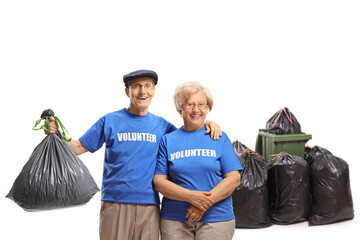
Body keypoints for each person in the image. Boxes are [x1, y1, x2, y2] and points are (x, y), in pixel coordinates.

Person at [44, 70, 222, 240]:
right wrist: (56, 135)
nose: (142, 91)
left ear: (153, 91)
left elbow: (188, 136)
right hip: (115, 203)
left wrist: (208, 123)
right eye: (136, 86)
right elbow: (78, 147)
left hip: (150, 206)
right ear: (127, 91)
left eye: (148, 85)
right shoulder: (110, 121)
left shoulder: (163, 127)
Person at [153, 81, 242, 240]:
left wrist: (203, 203)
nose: (196, 110)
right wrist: (190, 197)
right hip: (175, 218)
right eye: (190, 104)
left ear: (208, 108)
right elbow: (159, 182)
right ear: (180, 108)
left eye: (201, 104)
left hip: (216, 218)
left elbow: (234, 178)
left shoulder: (218, 137)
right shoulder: (168, 141)